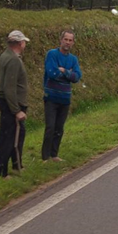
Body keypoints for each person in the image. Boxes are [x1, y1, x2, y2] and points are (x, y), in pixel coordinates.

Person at [42, 30, 82, 163]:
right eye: (66, 39)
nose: (68, 42)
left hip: (65, 99)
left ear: (73, 43)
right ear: (61, 40)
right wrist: (69, 75)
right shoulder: (52, 54)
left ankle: (54, 155)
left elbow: (77, 77)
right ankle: (45, 156)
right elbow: (52, 73)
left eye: (70, 40)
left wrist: (64, 71)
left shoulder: (73, 59)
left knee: (59, 128)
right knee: (50, 127)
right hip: (51, 97)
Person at [0, 30, 30, 178]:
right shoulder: (13, 60)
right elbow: (9, 88)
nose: (25, 45)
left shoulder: (6, 55)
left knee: (16, 134)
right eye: (24, 42)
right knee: (10, 137)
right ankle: (2, 172)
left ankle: (16, 164)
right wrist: (17, 110)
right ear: (20, 43)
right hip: (12, 104)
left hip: (8, 102)